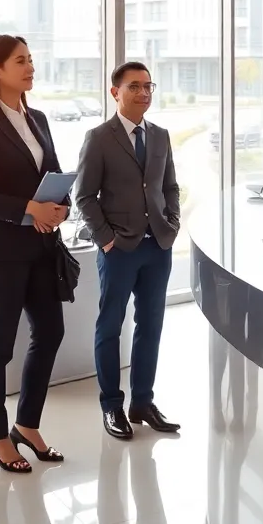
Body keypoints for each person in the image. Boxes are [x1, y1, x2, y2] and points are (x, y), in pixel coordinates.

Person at [0, 35, 69, 474]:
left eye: (31, 60)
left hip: (42, 244)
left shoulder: (37, 117)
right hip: (1, 250)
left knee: (51, 331)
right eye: (20, 61)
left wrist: (59, 206)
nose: (30, 68)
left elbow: (55, 172)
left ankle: (27, 423)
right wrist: (28, 207)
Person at [75, 62, 182, 440]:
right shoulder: (99, 137)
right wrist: (105, 239)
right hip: (119, 248)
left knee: (151, 325)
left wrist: (172, 221)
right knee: (110, 326)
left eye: (148, 86)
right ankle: (111, 407)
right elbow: (83, 197)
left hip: (158, 245)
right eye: (134, 86)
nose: (143, 93)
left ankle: (142, 402)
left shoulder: (160, 135)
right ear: (114, 92)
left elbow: (170, 186)